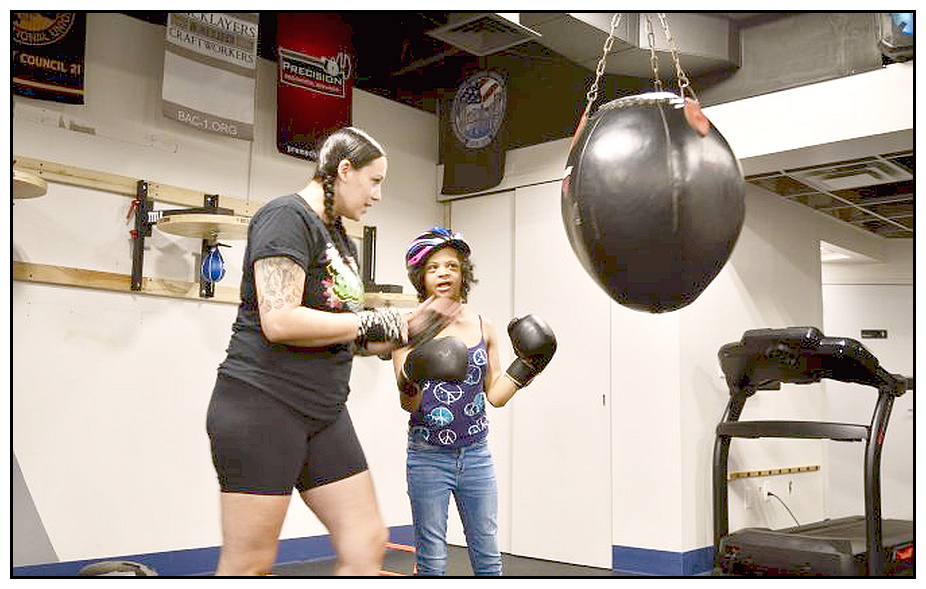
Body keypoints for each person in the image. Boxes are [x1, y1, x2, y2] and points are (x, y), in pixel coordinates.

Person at [206, 128, 459, 576]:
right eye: (374, 180)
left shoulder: (340, 238)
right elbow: (280, 320)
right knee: (250, 563)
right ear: (344, 170)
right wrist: (377, 320)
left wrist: (413, 328)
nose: (378, 195)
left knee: (366, 539)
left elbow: (350, 334)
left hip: (323, 412)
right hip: (263, 403)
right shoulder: (287, 217)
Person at [391, 227, 557, 576]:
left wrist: (527, 367)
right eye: (434, 267)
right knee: (433, 563)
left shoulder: (485, 326)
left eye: (451, 265)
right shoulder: (408, 328)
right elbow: (408, 404)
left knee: (488, 560)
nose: (443, 273)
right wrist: (414, 375)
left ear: (462, 272)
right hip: (427, 456)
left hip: (476, 455)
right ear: (421, 275)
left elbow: (495, 395)